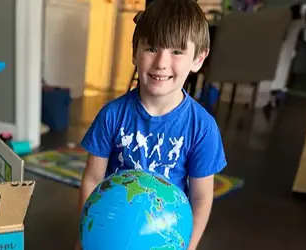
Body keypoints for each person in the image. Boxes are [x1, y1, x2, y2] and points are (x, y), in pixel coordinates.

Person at [76, 0, 227, 249]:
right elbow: (92, 179)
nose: (161, 62)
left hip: (162, 235)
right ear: (135, 51)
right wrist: (85, 235)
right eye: (152, 48)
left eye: (177, 52)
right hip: (112, 232)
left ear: (198, 59)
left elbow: (201, 198)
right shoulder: (112, 115)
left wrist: (189, 246)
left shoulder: (202, 128)